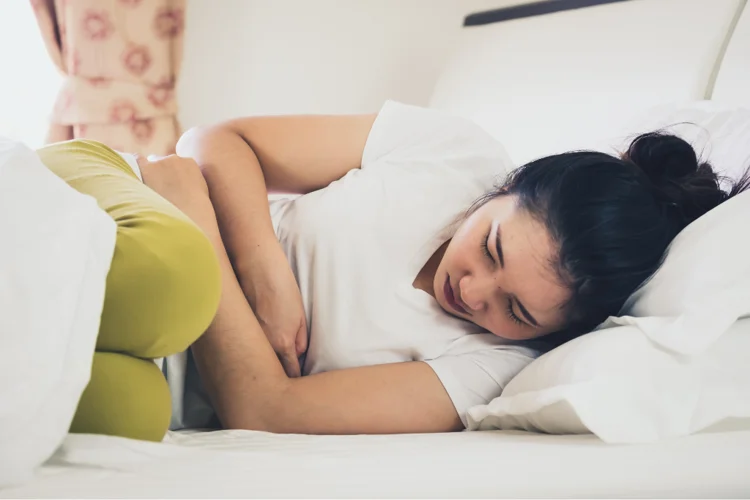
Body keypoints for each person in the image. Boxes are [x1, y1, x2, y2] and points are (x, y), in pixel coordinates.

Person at [39, 101, 749, 441]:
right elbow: (220, 139)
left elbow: (266, 412)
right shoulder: (456, 150)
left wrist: (194, 201)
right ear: (503, 190)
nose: (473, 290)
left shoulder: (488, 370)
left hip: (163, 368)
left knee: (125, 417)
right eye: (493, 247)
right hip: (125, 211)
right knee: (169, 284)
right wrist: (265, 276)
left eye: (520, 311)